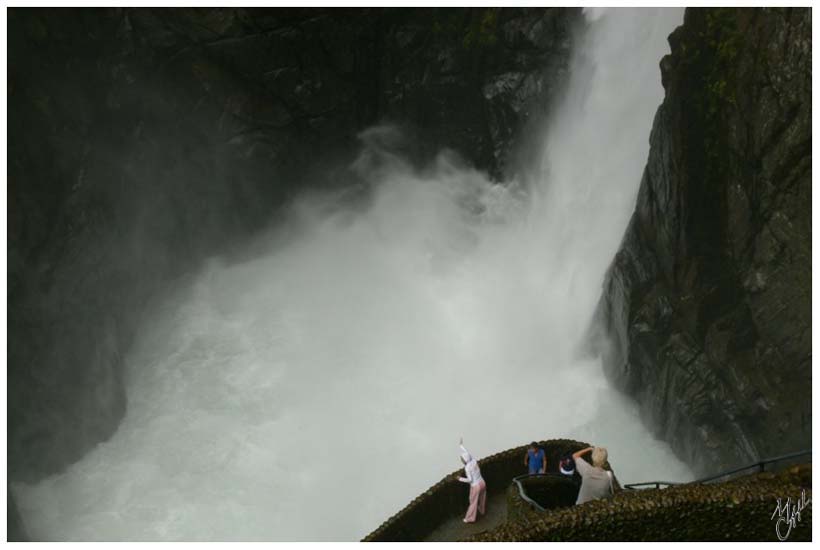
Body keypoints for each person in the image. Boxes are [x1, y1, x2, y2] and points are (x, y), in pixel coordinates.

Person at [458, 438, 487, 523]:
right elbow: (467, 453)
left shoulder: (467, 468)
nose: (461, 459)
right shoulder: (474, 460)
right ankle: (482, 510)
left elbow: (470, 480)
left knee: (473, 502)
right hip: (482, 482)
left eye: (461, 458)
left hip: (476, 486)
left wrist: (460, 478)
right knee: (482, 498)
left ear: (464, 460)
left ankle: (469, 518)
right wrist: (461, 445)